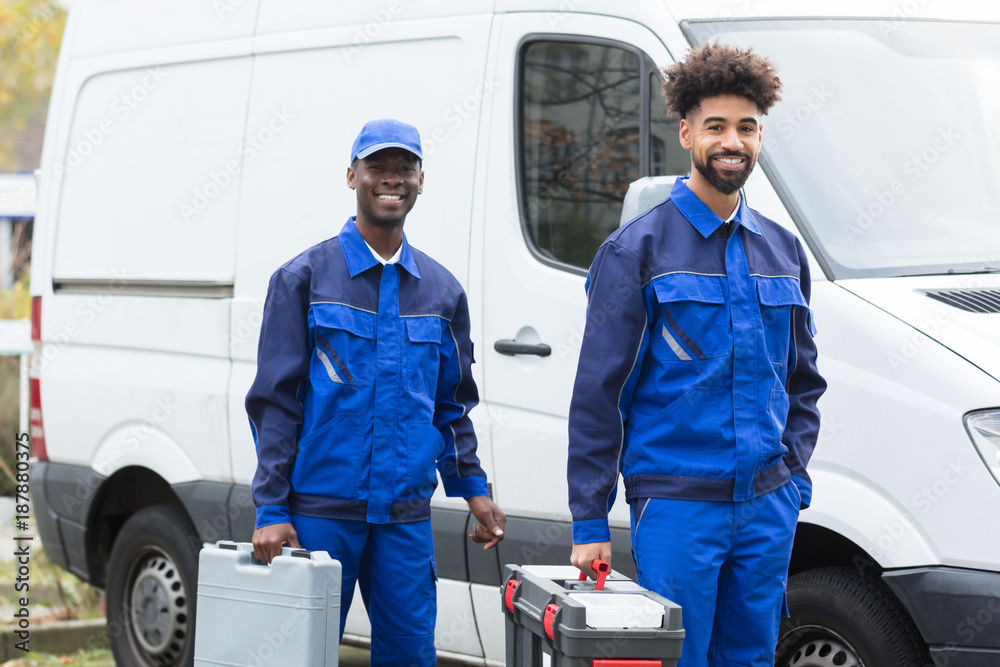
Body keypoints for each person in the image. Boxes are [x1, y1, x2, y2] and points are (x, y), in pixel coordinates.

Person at [567, 44, 826, 667]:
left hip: (766, 508)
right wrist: (589, 521)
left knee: (752, 658)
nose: (732, 141)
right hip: (679, 508)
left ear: (760, 135)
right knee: (678, 660)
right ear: (686, 132)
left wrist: (791, 479)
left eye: (746, 127)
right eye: (716, 126)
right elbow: (600, 396)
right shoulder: (637, 250)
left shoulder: (784, 251)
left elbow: (802, 381)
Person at [247, 118, 505, 666]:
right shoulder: (303, 278)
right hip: (319, 515)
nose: (392, 179)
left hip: (405, 520)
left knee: (411, 657)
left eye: (404, 168)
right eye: (378, 167)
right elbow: (275, 403)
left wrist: (472, 488)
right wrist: (271, 508)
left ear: (420, 180)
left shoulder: (442, 291)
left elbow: (451, 404)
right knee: (297, 657)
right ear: (351, 176)